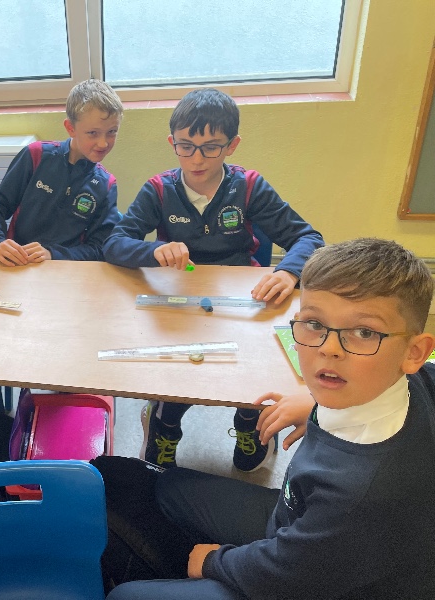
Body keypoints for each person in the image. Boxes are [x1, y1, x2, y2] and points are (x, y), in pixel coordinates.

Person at [103, 238, 435, 600]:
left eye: (364, 333)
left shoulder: (360, 494)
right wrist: (315, 403)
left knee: (126, 596)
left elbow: (289, 575)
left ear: (414, 352)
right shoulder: (407, 380)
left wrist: (213, 562)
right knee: (159, 485)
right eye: (314, 323)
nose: (328, 348)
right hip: (300, 519)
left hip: (312, 577)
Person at [104, 88, 324, 472]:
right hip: (179, 298)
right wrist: (153, 251)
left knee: (250, 368)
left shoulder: (249, 186)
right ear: (172, 142)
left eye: (211, 148)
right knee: (179, 372)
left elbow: (308, 237)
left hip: (242, 298)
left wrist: (288, 271)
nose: (197, 159)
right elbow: (114, 244)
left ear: (232, 145)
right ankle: (165, 422)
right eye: (186, 147)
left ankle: (248, 420)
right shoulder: (159, 190)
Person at [0, 78, 123, 265]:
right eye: (93, 133)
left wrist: (53, 254)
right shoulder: (36, 155)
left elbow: (98, 248)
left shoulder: (107, 184)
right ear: (70, 128)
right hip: (18, 264)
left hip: (65, 269)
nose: (103, 143)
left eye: (112, 132)